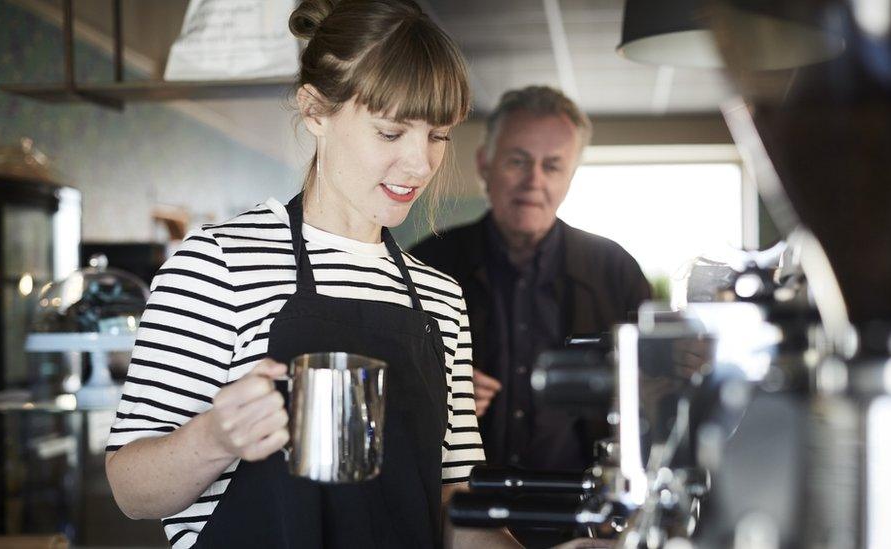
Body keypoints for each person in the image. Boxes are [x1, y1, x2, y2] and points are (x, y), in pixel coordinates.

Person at [104, 2, 527, 547]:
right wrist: (214, 437)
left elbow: (454, 501)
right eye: (392, 132)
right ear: (315, 111)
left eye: (439, 136)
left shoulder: (439, 297)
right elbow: (130, 490)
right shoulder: (219, 265)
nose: (420, 164)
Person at [411, 86, 651, 474]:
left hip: (583, 516)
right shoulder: (426, 265)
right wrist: (435, 394)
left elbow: (655, 393)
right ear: (484, 164)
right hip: (458, 509)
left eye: (552, 166)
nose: (533, 181)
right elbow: (391, 397)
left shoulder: (616, 270)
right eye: (517, 162)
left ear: (570, 178)